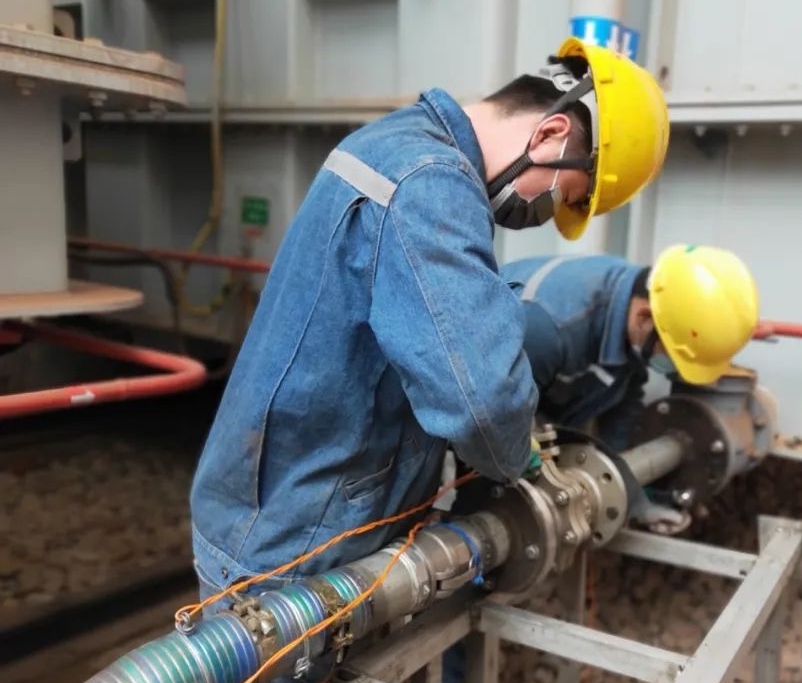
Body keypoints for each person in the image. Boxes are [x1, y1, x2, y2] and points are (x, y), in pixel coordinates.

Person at [187, 37, 669, 681]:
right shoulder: (430, 186)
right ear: (551, 133)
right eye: (562, 195)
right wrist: (522, 461)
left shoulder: (396, 143)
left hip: (288, 508)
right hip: (299, 539)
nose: (543, 213)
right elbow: (484, 400)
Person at [500, 245, 761, 532]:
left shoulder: (640, 310)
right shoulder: (548, 328)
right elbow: (494, 418)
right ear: (644, 318)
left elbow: (621, 405)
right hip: (478, 412)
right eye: (672, 358)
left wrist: (633, 494)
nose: (671, 369)